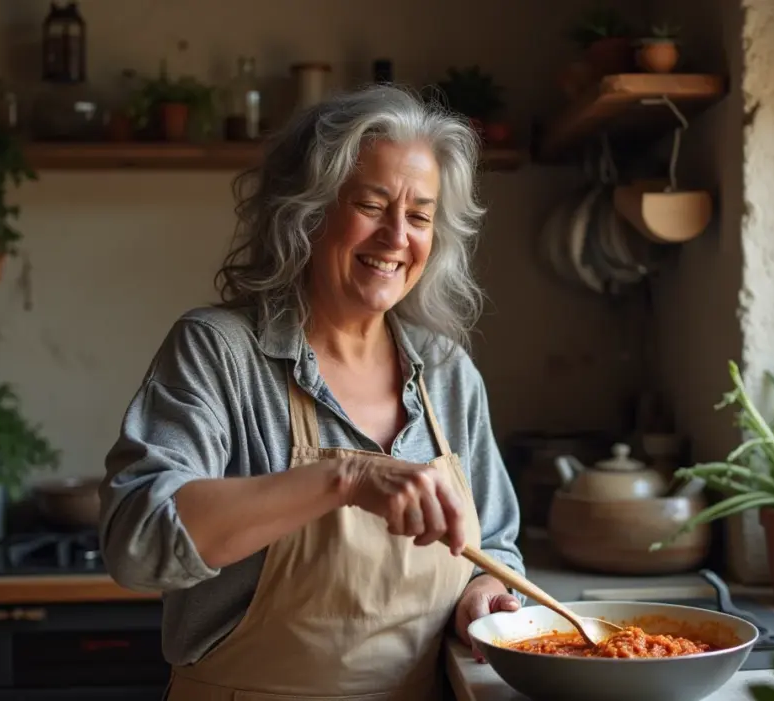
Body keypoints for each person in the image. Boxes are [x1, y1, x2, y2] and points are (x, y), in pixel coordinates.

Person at [99, 84, 526, 701]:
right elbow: (137, 544)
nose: (396, 237)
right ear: (307, 210)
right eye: (372, 204)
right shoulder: (221, 352)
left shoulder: (445, 371)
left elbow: (497, 548)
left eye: (420, 216)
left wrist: (484, 594)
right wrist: (346, 479)